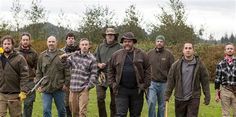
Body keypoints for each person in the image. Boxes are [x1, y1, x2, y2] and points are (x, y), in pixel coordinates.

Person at [108, 32, 151, 117]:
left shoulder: (142, 54)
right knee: (121, 114)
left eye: (129, 41)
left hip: (137, 90)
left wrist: (145, 85)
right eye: (125, 41)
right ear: (123, 43)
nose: (127, 43)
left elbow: (148, 70)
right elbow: (110, 70)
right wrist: (113, 84)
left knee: (135, 114)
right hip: (121, 90)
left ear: (133, 42)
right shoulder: (116, 55)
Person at [165, 42, 210, 117]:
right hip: (179, 97)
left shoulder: (199, 65)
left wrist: (207, 95)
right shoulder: (175, 65)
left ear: (193, 50)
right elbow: (170, 81)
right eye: (186, 48)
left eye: (190, 48)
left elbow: (205, 81)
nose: (188, 50)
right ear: (183, 50)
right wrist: (167, 95)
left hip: (194, 97)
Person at [61, 38, 97, 117]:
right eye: (83, 45)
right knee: (74, 112)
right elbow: (67, 65)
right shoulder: (74, 55)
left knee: (82, 112)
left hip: (84, 88)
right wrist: (63, 60)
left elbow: (94, 74)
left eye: (86, 45)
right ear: (80, 46)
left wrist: (88, 86)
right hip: (73, 88)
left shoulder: (92, 59)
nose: (84, 46)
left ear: (89, 46)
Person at [35, 36, 70, 117]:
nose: (51, 43)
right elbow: (38, 72)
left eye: (53, 42)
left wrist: (66, 84)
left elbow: (67, 71)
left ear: (56, 42)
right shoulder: (42, 56)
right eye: (49, 42)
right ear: (47, 43)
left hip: (59, 88)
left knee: (61, 110)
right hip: (46, 88)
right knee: (46, 110)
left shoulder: (62, 54)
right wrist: (38, 85)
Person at [95, 27, 122, 117]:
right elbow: (94, 59)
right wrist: (98, 64)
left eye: (112, 35)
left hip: (114, 76)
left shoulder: (119, 47)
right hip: (101, 75)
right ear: (105, 36)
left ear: (114, 36)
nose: (110, 36)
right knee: (100, 98)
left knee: (114, 100)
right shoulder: (100, 47)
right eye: (108, 35)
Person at [0, 35, 29, 117]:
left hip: (15, 94)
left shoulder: (19, 58)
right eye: (5, 44)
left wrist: (23, 90)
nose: (7, 45)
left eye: (9, 43)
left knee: (16, 115)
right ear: (2, 45)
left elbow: (24, 75)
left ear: (12, 45)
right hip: (1, 93)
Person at [147, 35, 174, 117]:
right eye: (158, 41)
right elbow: (145, 67)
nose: (159, 43)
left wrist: (171, 83)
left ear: (164, 43)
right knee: (151, 102)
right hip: (152, 83)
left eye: (161, 41)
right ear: (155, 42)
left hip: (164, 84)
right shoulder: (149, 53)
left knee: (162, 106)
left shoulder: (169, 54)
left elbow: (172, 70)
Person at [15, 32, 38, 117]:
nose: (25, 41)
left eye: (27, 40)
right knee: (16, 103)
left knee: (28, 103)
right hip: (17, 81)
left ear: (29, 41)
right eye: (23, 40)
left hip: (30, 81)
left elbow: (37, 67)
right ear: (21, 41)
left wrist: (37, 77)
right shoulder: (15, 52)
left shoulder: (34, 53)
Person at [215, 43, 236, 117]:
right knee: (225, 114)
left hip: (235, 90)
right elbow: (217, 79)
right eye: (228, 49)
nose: (230, 50)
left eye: (231, 48)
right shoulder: (220, 64)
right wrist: (216, 94)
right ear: (225, 51)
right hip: (225, 90)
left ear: (234, 50)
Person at [60, 32, 77, 117]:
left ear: (74, 40)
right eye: (69, 38)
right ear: (66, 40)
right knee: (66, 100)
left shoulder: (79, 51)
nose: (71, 40)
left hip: (77, 79)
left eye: (72, 38)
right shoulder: (61, 51)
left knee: (75, 101)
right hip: (66, 80)